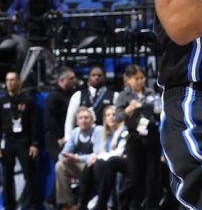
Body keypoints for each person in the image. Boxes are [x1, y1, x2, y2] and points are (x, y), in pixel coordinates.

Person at [115, 65, 162, 210]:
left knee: (153, 177)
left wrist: (156, 110)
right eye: (136, 78)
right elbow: (118, 117)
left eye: (142, 78)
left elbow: (158, 112)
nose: (140, 81)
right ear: (128, 79)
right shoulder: (123, 95)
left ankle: (151, 207)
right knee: (134, 177)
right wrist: (129, 109)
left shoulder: (151, 92)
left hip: (152, 135)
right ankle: (123, 205)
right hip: (135, 138)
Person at [0, 72, 40, 210]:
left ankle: (31, 205)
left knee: (29, 175)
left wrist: (34, 144)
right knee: (7, 175)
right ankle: (9, 205)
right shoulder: (1, 102)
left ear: (19, 81)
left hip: (24, 141)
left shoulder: (28, 101)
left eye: (13, 80)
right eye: (7, 80)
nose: (10, 83)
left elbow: (34, 124)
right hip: (8, 141)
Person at [77, 104, 127, 210]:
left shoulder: (124, 130)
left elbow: (120, 153)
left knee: (98, 164)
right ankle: (82, 204)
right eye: (108, 115)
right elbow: (102, 153)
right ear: (104, 118)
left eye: (114, 114)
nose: (111, 117)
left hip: (123, 164)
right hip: (108, 166)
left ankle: (106, 204)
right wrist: (95, 156)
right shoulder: (107, 134)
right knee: (91, 165)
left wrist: (98, 156)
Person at [55, 106, 103, 210]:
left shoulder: (98, 130)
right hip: (82, 166)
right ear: (76, 121)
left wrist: (77, 158)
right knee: (60, 165)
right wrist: (66, 157)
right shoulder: (75, 132)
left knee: (94, 163)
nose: (83, 121)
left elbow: (97, 154)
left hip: (96, 168)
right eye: (80, 118)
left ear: (92, 120)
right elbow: (62, 154)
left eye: (86, 118)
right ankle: (68, 204)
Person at [63, 64, 114, 140]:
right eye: (93, 75)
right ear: (88, 78)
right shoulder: (78, 95)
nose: (96, 77)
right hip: (82, 138)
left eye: (99, 75)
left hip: (105, 137)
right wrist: (68, 138)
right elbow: (70, 119)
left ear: (105, 77)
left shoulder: (114, 95)